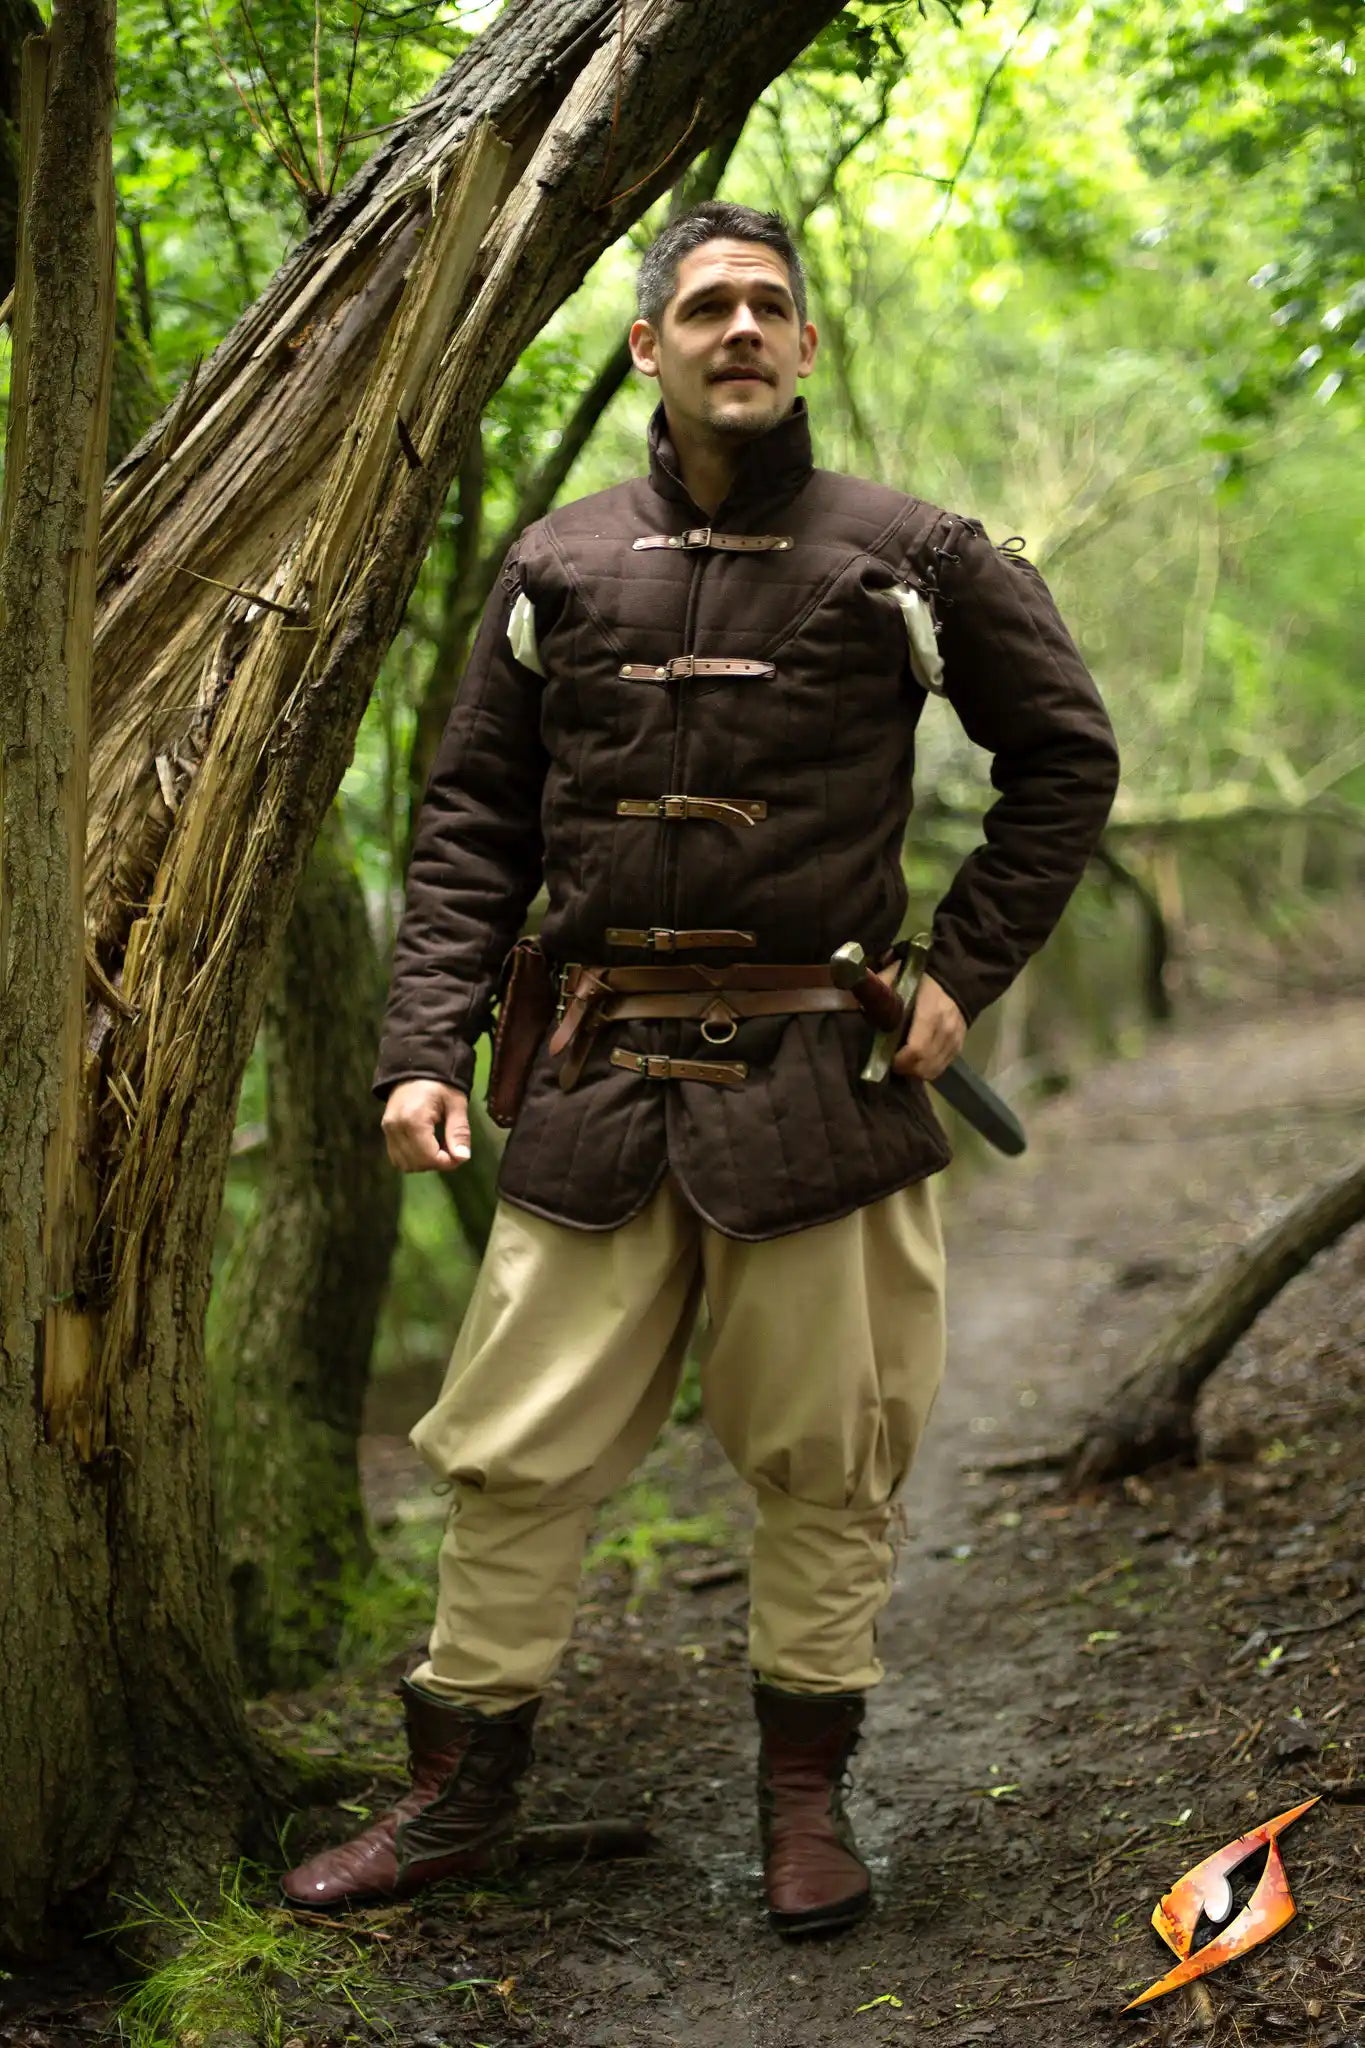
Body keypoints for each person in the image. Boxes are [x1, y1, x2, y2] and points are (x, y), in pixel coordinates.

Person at [282, 201, 1119, 1934]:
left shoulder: (912, 557)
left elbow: (1064, 759)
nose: (740, 329)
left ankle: (802, 1807)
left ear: (807, 349)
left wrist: (958, 969)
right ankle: (454, 1805)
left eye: (769, 308)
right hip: (592, 1088)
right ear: (649, 347)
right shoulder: (557, 566)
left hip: (823, 1089)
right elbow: (466, 829)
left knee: (831, 1454)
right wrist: (423, 1047)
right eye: (705, 308)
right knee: (508, 1455)